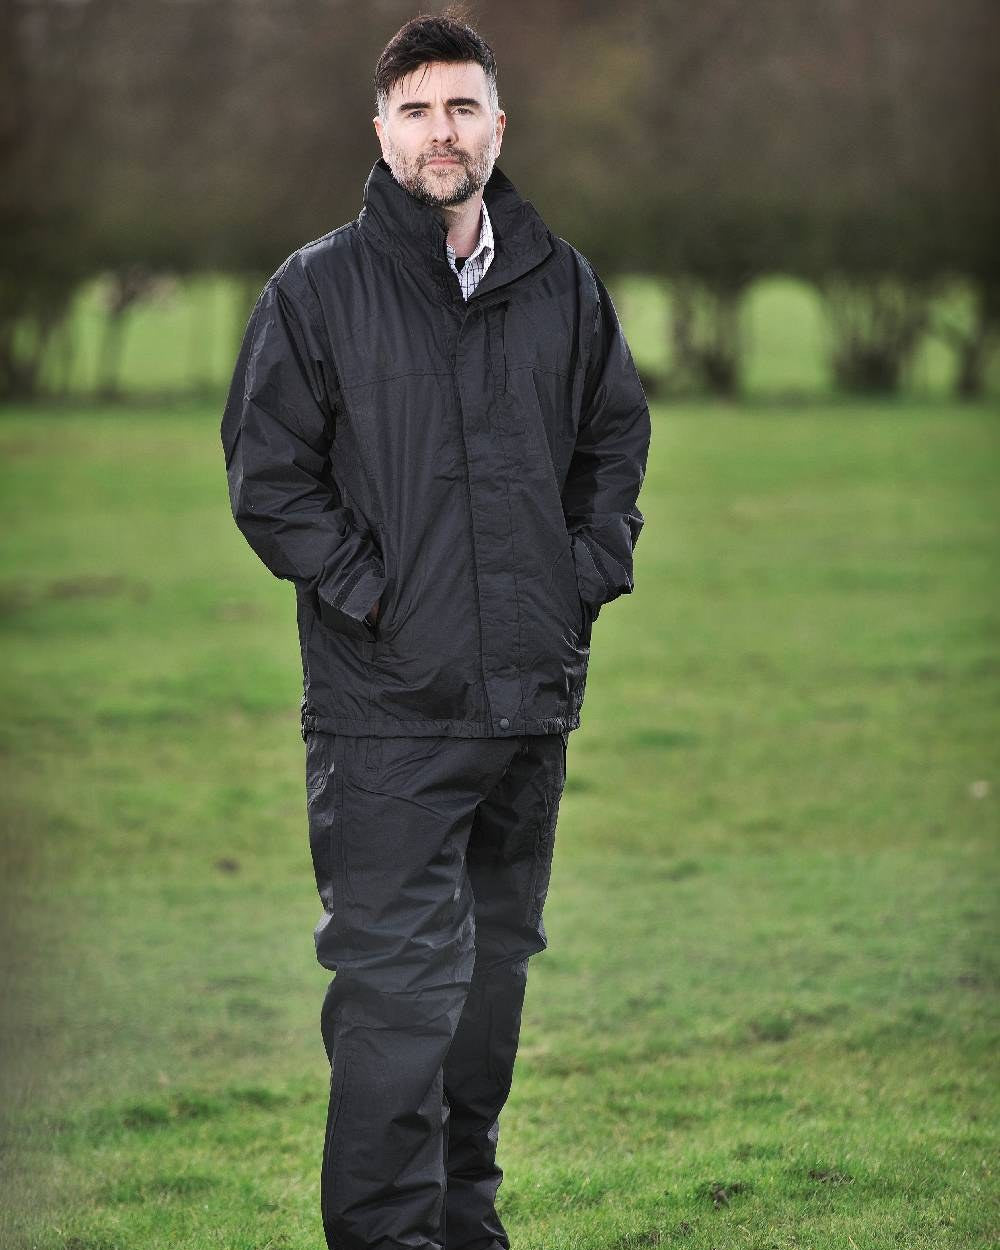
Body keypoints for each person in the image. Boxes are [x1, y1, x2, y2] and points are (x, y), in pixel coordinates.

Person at [220, 10, 650, 1249]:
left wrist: (581, 572)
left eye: (462, 107)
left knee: (485, 997)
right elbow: (269, 478)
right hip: (386, 718)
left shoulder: (556, 281)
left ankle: (468, 1229)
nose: (440, 131)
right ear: (381, 131)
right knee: (395, 1002)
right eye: (415, 111)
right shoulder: (317, 291)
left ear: (497, 125)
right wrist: (376, 598)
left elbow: (614, 437)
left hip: (526, 707)